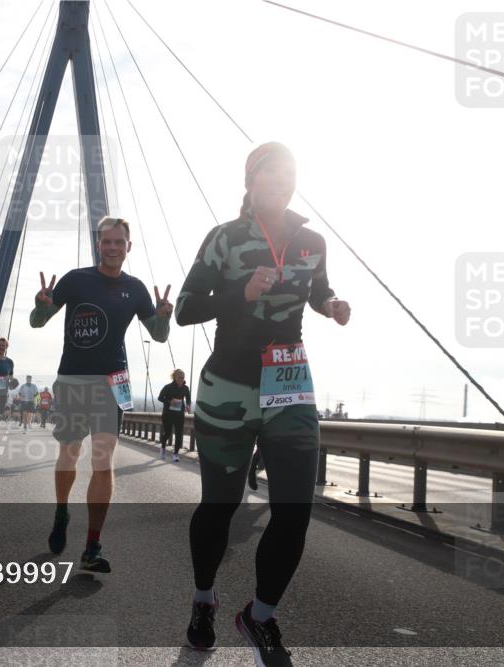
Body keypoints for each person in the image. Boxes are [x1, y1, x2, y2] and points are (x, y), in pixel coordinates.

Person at [175, 142, 351, 663]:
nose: (280, 183)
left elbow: (317, 289)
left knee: (295, 510)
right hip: (228, 387)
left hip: (290, 386)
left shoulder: (311, 240)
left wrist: (331, 305)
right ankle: (203, 600)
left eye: (288, 175)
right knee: (220, 507)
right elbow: (185, 309)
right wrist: (242, 294)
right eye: (271, 174)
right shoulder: (224, 239)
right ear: (250, 182)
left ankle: (261, 615)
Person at [30, 216, 172, 573]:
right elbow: (37, 321)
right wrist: (41, 305)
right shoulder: (76, 279)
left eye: (118, 242)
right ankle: (62, 511)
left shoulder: (136, 289)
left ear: (128, 247)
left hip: (113, 382)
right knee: (69, 452)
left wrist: (164, 316)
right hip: (73, 380)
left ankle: (92, 545)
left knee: (103, 460)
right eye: (106, 241)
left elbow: (158, 335)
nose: (112, 247)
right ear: (98, 245)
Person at [158, 369, 192, 462]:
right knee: (167, 433)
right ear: (175, 377)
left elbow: (188, 399)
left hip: (179, 414)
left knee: (179, 434)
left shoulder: (185, 388)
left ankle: (176, 454)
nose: (181, 379)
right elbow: (160, 398)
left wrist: (188, 405)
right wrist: (169, 401)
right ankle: (163, 448)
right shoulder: (168, 387)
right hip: (168, 414)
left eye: (183, 377)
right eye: (179, 377)